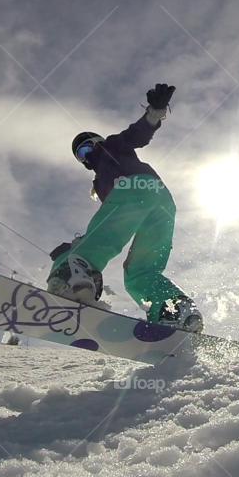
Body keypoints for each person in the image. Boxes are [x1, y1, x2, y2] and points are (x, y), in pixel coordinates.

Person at [47, 83, 203, 333]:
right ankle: (175, 311)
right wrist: (79, 242)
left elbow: (136, 135)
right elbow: (113, 223)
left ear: (96, 142)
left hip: (134, 188)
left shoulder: (110, 147)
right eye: (81, 155)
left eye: (87, 147)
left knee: (91, 251)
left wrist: (154, 113)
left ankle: (70, 280)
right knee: (140, 271)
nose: (87, 156)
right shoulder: (101, 182)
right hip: (162, 201)